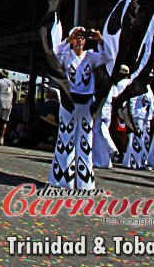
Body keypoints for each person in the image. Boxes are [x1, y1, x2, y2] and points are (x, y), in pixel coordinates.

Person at [48, 26, 111, 189]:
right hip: (69, 101)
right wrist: (68, 40)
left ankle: (84, 182)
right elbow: (53, 55)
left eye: (83, 37)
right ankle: (63, 180)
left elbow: (108, 58)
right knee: (65, 138)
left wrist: (100, 41)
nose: (80, 40)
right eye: (77, 36)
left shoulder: (91, 56)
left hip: (86, 102)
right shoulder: (66, 55)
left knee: (85, 140)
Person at [92, 64, 130, 169]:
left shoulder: (103, 83)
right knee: (101, 132)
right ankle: (104, 156)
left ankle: (111, 148)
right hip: (109, 111)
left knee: (99, 132)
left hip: (101, 110)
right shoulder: (112, 85)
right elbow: (115, 98)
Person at [122, 73, 154, 170]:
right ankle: (133, 162)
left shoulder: (148, 87)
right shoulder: (136, 86)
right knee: (136, 139)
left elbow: (151, 101)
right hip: (137, 116)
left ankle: (143, 161)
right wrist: (131, 118)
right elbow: (132, 102)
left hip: (146, 116)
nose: (150, 80)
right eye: (149, 78)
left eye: (151, 78)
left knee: (145, 140)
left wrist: (151, 115)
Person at [0, 70, 18, 145]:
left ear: (1, 75)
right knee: (4, 121)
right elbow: (14, 93)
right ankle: (1, 138)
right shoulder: (11, 83)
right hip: (8, 104)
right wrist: (13, 101)